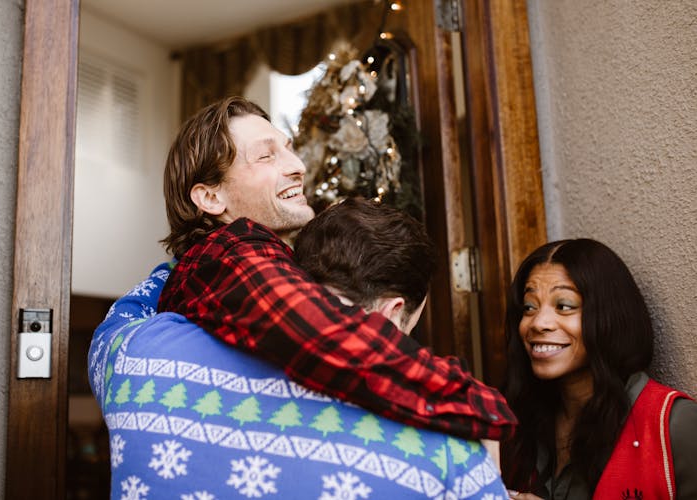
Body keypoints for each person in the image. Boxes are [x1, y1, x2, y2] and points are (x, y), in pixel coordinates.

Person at [89, 199, 509, 498]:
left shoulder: (136, 353)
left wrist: (225, 249)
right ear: (392, 310)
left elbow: (130, 307)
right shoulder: (450, 442)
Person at [156, 95, 515, 442]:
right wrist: (481, 405)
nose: (298, 166)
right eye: (266, 156)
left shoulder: (257, 257)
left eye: (288, 147)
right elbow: (327, 338)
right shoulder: (227, 254)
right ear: (211, 197)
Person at [500, 238, 697, 499]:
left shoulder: (674, 424)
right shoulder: (519, 419)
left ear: (609, 315)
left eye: (564, 306)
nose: (539, 323)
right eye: (529, 307)